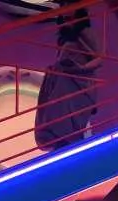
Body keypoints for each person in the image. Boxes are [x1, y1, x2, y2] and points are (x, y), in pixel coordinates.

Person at [35, 3, 102, 151]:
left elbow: (99, 58)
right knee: (54, 120)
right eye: (63, 4)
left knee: (64, 125)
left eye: (67, 4)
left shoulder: (84, 30)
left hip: (78, 83)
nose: (64, 8)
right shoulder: (66, 32)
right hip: (63, 81)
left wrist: (81, 69)